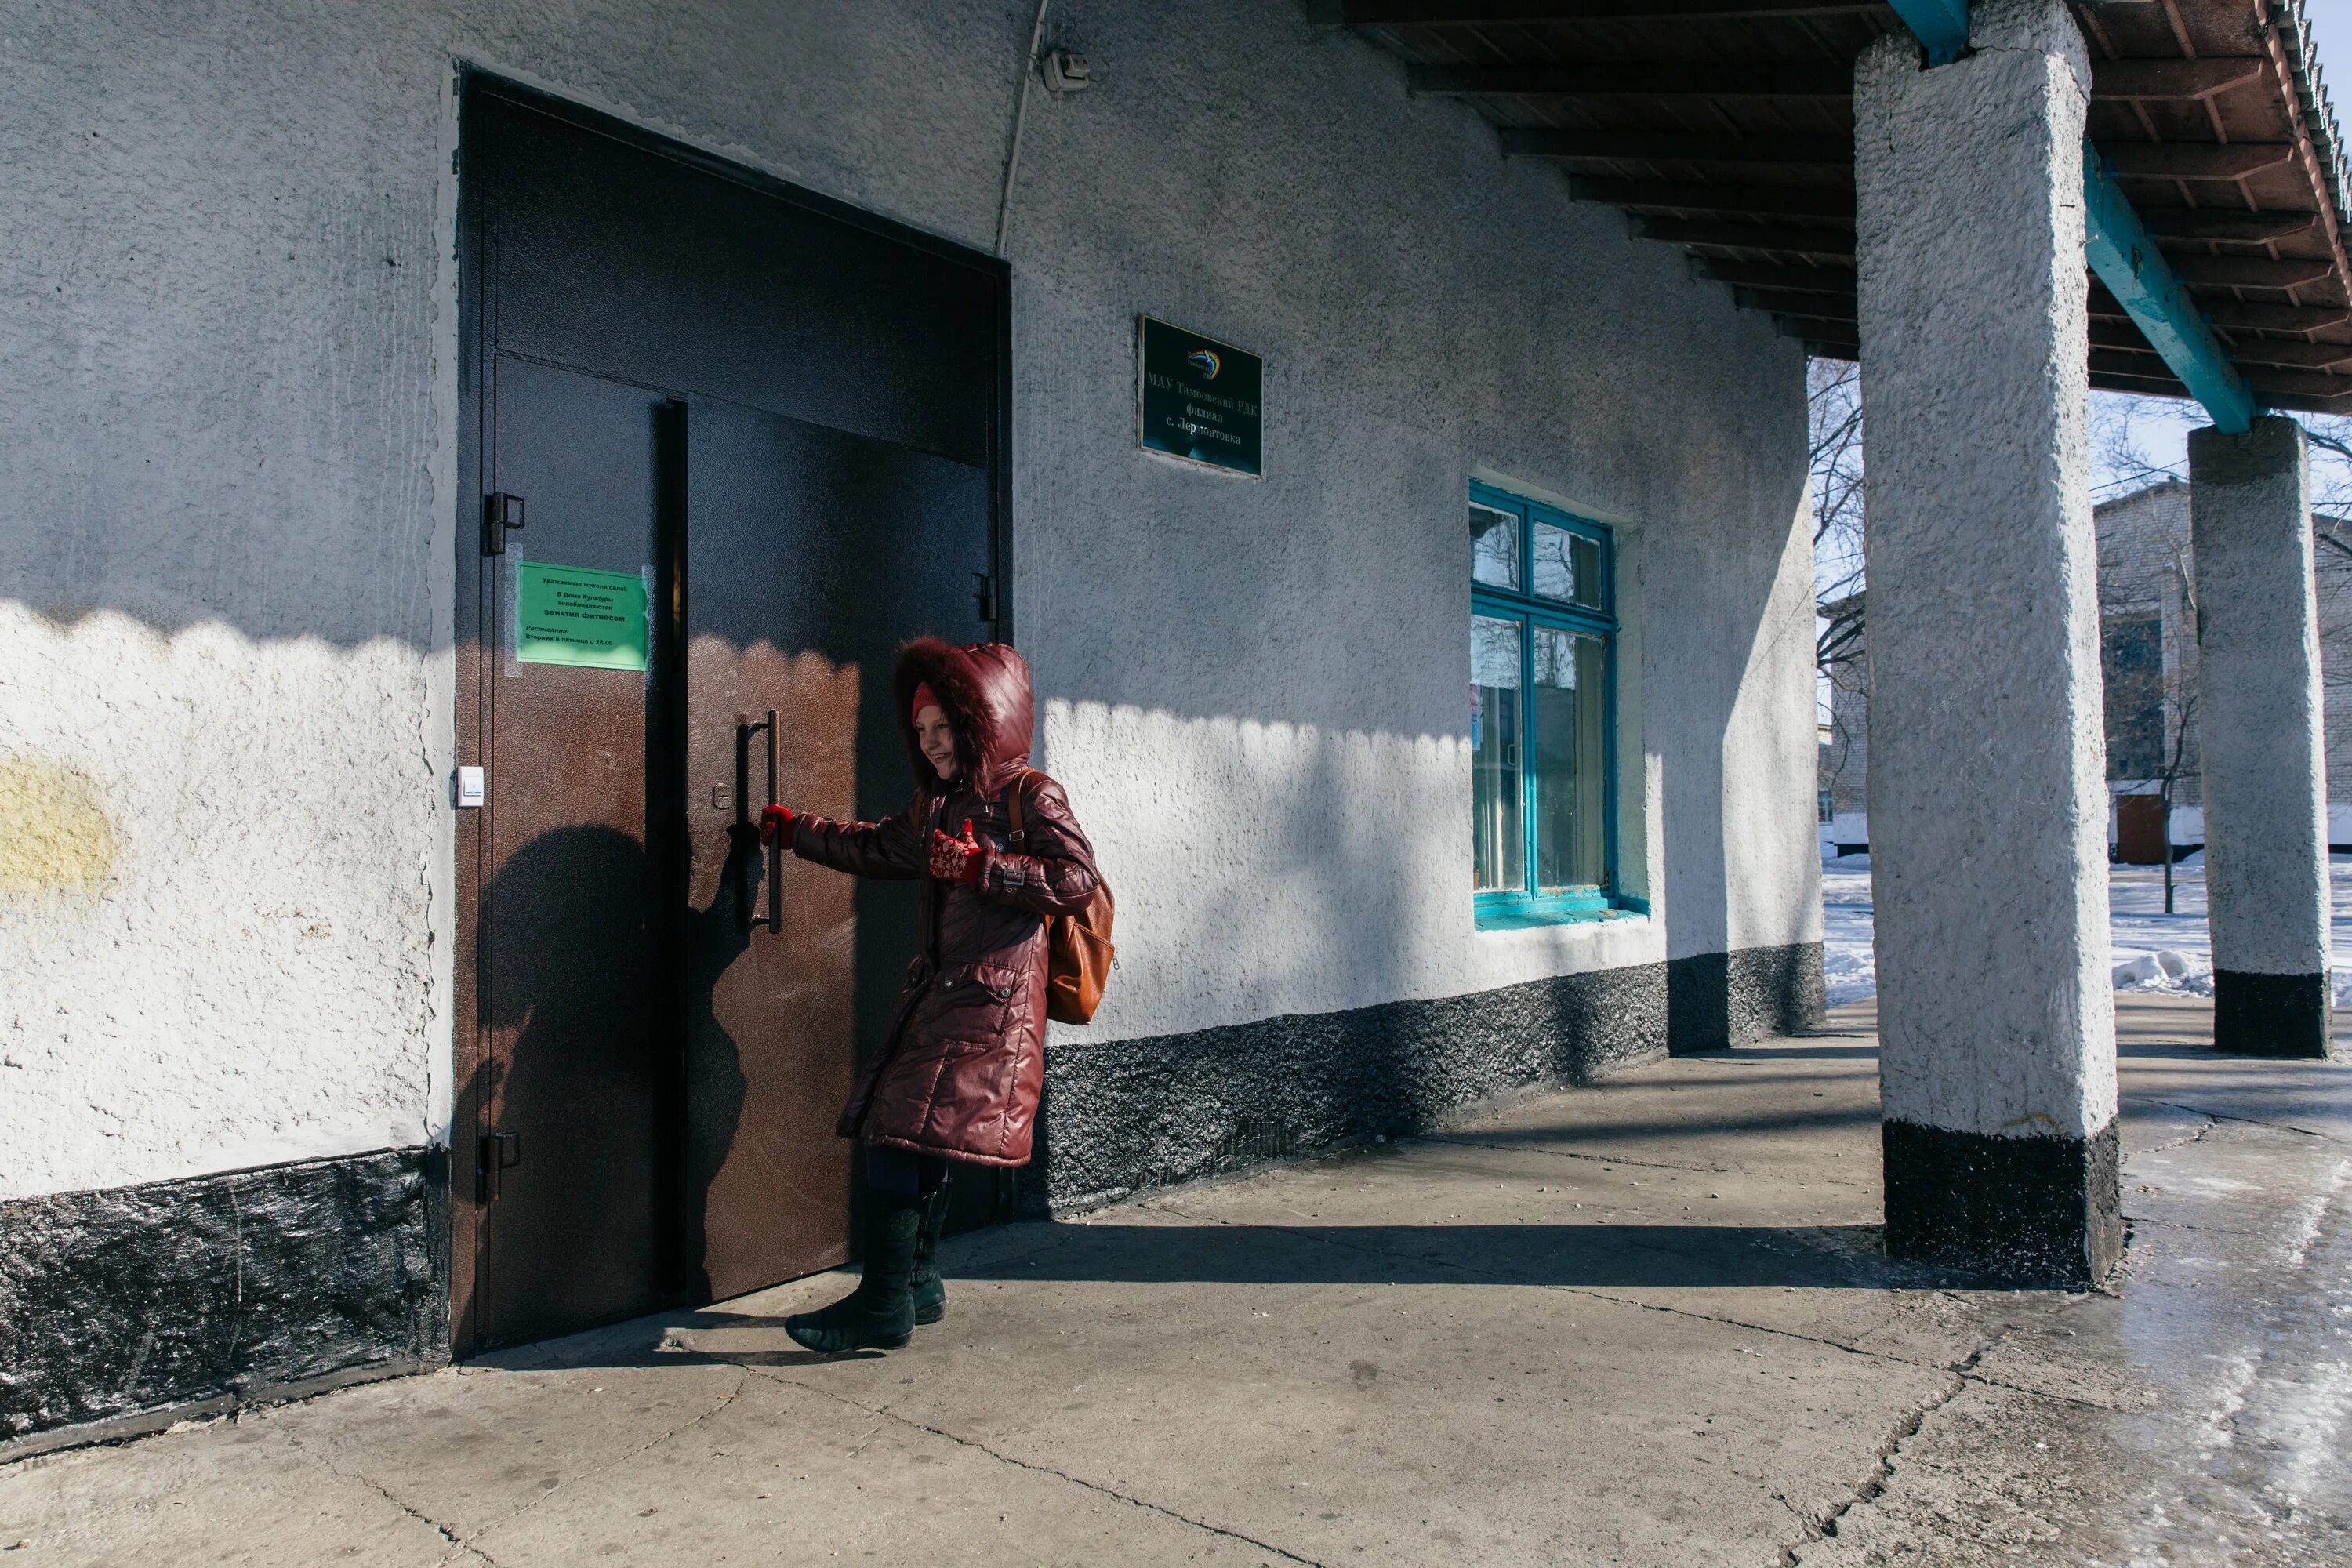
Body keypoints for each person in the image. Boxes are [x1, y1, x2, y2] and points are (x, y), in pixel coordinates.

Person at [759, 637, 1101, 1352]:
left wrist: (988, 870)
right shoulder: (941, 803)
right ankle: (916, 1285)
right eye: (921, 731)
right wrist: (796, 834)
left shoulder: (1030, 794)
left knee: (896, 1128)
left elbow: (1076, 881)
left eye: (944, 727)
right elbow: (881, 847)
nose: (932, 742)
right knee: (918, 1136)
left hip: (993, 1008)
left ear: (983, 724)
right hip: (949, 996)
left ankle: (886, 1304)